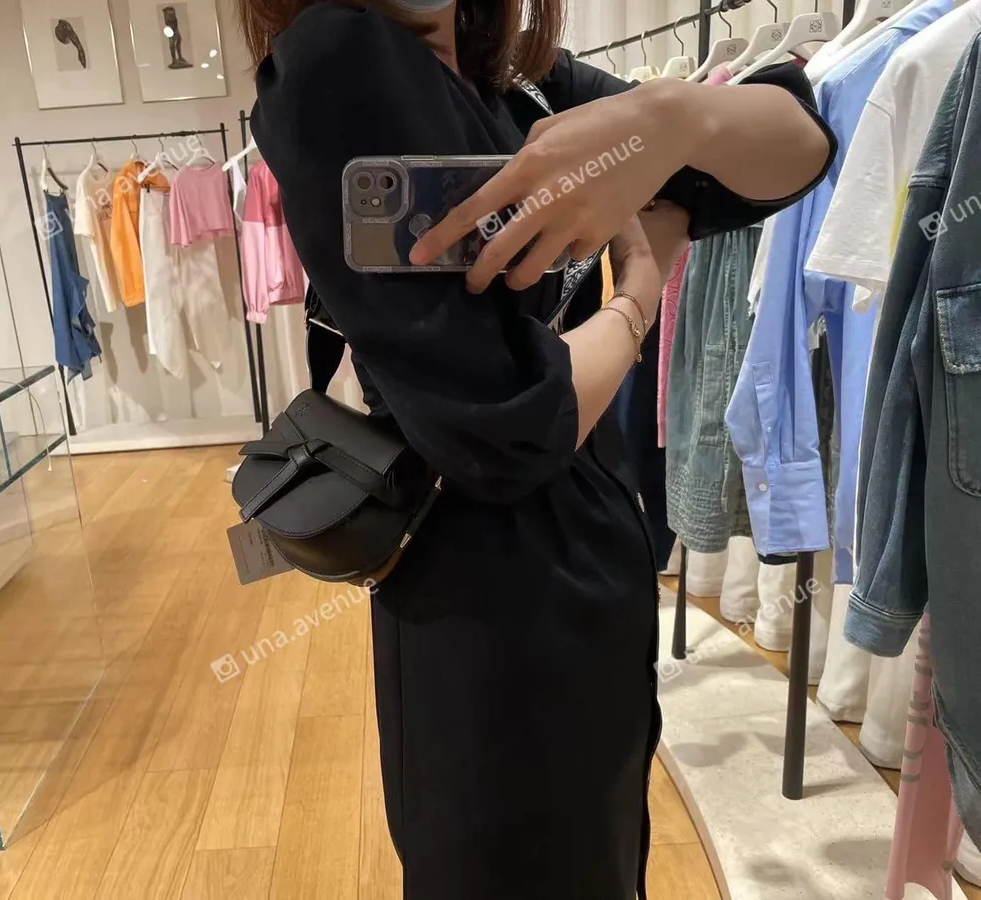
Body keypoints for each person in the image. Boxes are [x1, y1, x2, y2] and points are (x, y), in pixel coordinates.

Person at [239, 2, 835, 897]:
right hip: (490, 609)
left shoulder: (519, 81)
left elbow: (801, 142)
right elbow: (504, 428)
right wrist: (636, 297)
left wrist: (674, 117)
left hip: (586, 562)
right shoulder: (343, 55)